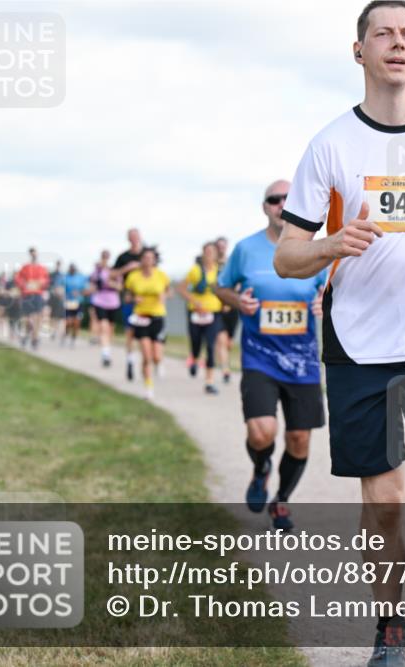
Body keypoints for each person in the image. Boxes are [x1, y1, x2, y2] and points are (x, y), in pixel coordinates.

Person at [272, 3, 405, 663]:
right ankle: (389, 626)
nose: (397, 43)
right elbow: (287, 256)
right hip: (358, 344)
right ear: (359, 51)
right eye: (383, 34)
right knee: (385, 500)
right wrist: (330, 243)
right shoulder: (331, 145)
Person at [216, 181, 327, 531]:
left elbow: (333, 290)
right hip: (259, 356)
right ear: (265, 207)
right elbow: (221, 287)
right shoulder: (246, 249)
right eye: (274, 199)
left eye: (289, 199)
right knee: (262, 432)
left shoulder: (317, 250)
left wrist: (325, 300)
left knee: (299, 438)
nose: (281, 204)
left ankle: (281, 501)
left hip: (302, 361)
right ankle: (261, 467)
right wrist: (237, 301)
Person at [177, 241, 225, 394]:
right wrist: (194, 302)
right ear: (203, 254)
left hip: (213, 313)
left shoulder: (220, 271)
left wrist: (226, 303)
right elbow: (181, 289)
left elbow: (226, 289)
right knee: (196, 342)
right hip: (196, 313)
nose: (209, 254)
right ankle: (195, 359)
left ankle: (209, 382)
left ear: (216, 254)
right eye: (207, 252)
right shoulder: (195, 271)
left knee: (210, 346)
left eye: (212, 252)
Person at [124, 247, 170, 399]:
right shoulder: (133, 277)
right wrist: (133, 298)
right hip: (141, 317)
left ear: (154, 260)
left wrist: (164, 296)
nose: (148, 261)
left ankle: (159, 363)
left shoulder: (161, 275)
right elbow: (126, 296)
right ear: (141, 260)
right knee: (146, 355)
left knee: (156, 356)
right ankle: (148, 387)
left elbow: (169, 291)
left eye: (151, 258)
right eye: (145, 258)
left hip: (157, 316)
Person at [112, 229, 146, 381]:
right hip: (130, 298)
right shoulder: (123, 257)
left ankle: (148, 362)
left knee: (146, 336)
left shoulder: (147, 254)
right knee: (130, 333)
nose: (134, 239)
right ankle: (130, 361)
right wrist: (127, 268)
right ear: (128, 239)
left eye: (136, 236)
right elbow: (112, 275)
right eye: (131, 237)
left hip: (148, 301)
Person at [90, 250, 122, 367]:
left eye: (106, 256)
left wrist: (111, 283)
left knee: (110, 329)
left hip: (113, 303)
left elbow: (120, 287)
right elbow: (92, 284)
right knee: (104, 327)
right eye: (103, 256)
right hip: (100, 301)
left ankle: (107, 348)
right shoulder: (97, 271)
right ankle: (105, 354)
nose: (105, 258)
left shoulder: (115, 271)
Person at [14, 248, 50, 349]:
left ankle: (35, 338)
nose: (34, 255)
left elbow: (46, 280)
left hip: (37, 295)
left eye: (35, 254)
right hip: (27, 295)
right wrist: (24, 284)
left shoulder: (42, 268)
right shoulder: (25, 267)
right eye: (32, 254)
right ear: (30, 255)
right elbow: (18, 279)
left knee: (37, 317)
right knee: (27, 319)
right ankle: (26, 335)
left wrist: (42, 283)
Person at [215, 236, 238, 383]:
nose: (221, 249)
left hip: (232, 307)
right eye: (219, 246)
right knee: (221, 340)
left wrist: (231, 300)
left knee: (229, 343)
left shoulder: (232, 263)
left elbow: (237, 283)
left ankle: (225, 362)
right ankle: (225, 370)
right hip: (217, 308)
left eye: (223, 246)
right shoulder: (212, 265)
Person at [61, 263, 88, 347]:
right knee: (68, 322)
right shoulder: (65, 277)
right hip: (69, 302)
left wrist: (79, 292)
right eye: (71, 268)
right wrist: (62, 295)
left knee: (77, 322)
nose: (72, 270)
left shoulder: (81, 278)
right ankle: (66, 334)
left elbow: (86, 291)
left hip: (79, 303)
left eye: (73, 269)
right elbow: (60, 289)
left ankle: (73, 338)